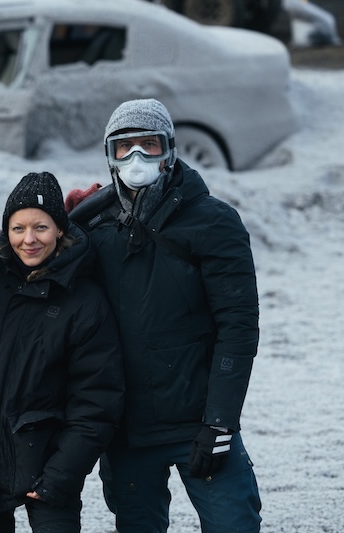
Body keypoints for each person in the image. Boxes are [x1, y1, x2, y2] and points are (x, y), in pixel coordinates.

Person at [66, 99, 262, 533]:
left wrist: (220, 423)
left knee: (234, 524)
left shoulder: (214, 223)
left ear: (169, 149)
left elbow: (239, 328)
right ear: (110, 155)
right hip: (128, 428)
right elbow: (34, 261)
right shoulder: (92, 226)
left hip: (199, 420)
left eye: (149, 145)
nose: (137, 158)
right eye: (124, 147)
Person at [0, 172, 125, 533]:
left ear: (59, 229)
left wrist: (61, 475)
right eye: (17, 228)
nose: (28, 240)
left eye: (40, 228)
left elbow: (98, 400)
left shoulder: (84, 300)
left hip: (48, 466)